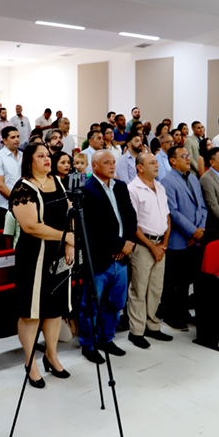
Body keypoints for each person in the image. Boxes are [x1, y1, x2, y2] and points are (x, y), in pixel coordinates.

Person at [9, 142, 74, 388]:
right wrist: (66, 237)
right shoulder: (22, 188)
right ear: (29, 161)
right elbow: (31, 227)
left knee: (55, 309)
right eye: (41, 156)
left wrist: (70, 242)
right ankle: (30, 363)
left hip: (59, 255)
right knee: (32, 312)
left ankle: (51, 356)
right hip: (33, 257)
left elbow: (70, 213)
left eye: (48, 155)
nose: (47, 159)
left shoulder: (57, 181)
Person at [79, 150, 137, 364]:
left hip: (121, 258)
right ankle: (88, 345)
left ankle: (106, 339)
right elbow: (93, 228)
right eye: (107, 162)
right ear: (94, 166)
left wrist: (127, 243)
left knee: (116, 303)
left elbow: (131, 217)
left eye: (113, 162)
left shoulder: (120, 186)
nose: (112, 166)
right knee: (91, 306)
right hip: (99, 257)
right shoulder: (86, 190)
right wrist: (120, 244)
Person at [126, 152, 173, 348]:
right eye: (152, 162)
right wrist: (153, 247)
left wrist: (163, 244)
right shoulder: (132, 189)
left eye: (156, 162)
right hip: (143, 246)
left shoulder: (160, 187)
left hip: (160, 245)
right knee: (139, 289)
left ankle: (152, 326)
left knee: (155, 288)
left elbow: (167, 217)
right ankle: (136, 331)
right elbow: (133, 224)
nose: (157, 165)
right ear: (140, 167)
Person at [160, 146, 208, 331]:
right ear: (172, 161)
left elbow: (202, 206)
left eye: (189, 155)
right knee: (174, 281)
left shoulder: (193, 178)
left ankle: (183, 312)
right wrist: (192, 231)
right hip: (178, 239)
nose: (188, 159)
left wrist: (199, 230)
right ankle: (170, 315)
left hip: (195, 238)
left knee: (187, 280)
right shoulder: (167, 181)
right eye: (184, 156)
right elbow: (173, 212)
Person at [0, 126, 23, 212]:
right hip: (4, 206)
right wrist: (16, 200)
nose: (16, 139)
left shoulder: (23, 155)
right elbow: (0, 185)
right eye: (13, 137)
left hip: (23, 205)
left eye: (18, 136)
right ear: (4, 141)